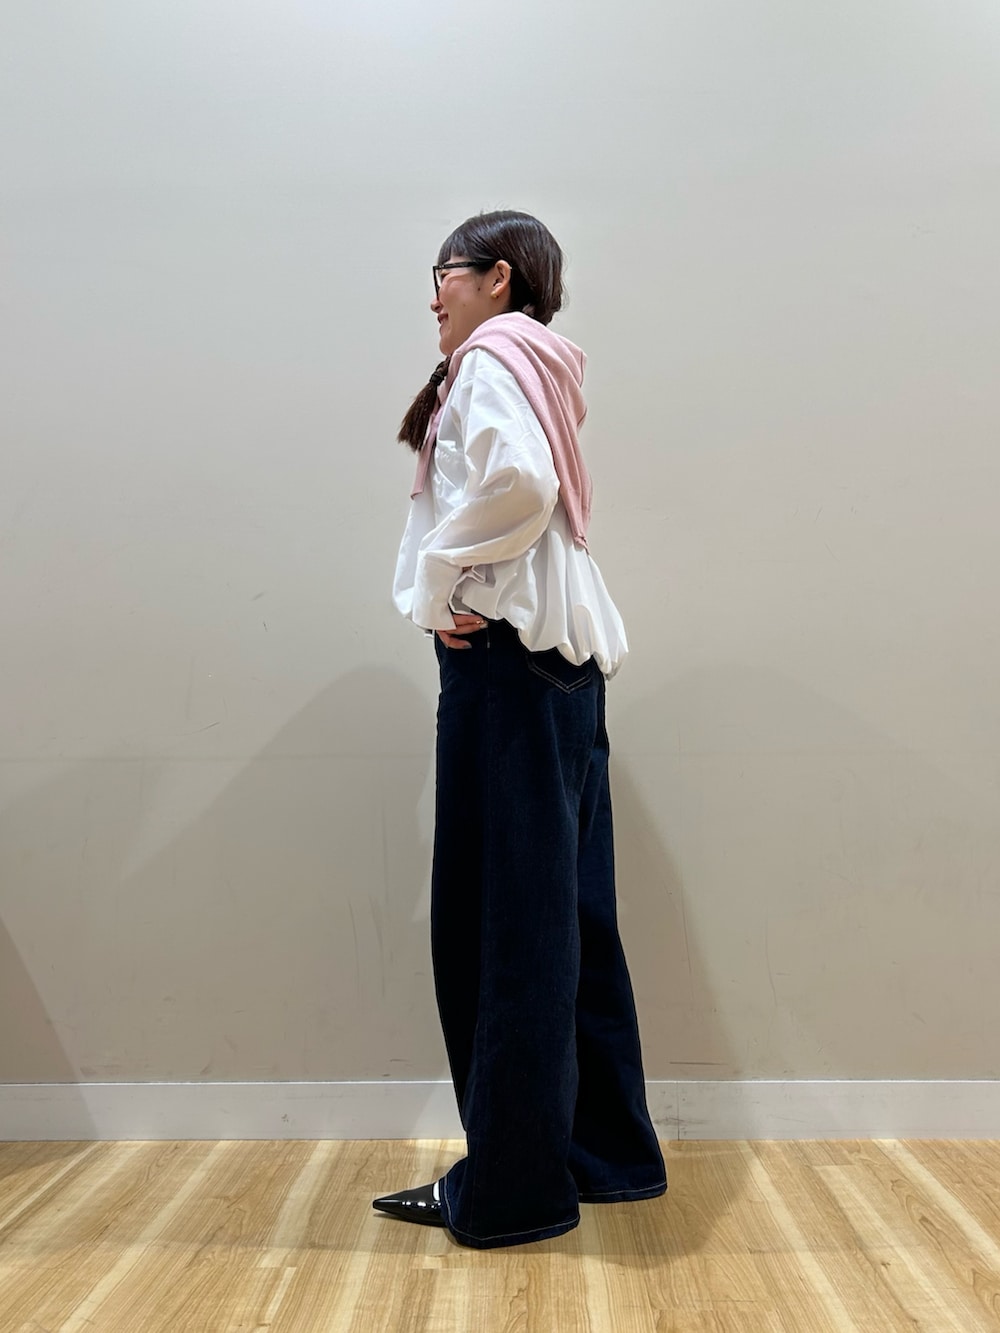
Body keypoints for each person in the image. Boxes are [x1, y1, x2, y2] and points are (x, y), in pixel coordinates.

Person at [375, 210, 666, 1249]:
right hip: (564, 675)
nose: (434, 295)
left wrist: (439, 581)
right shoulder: (537, 364)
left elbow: (520, 486)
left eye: (444, 273)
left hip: (506, 669)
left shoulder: (493, 359)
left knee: (501, 928)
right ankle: (602, 1155)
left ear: (497, 277)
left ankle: (511, 1190)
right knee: (568, 922)